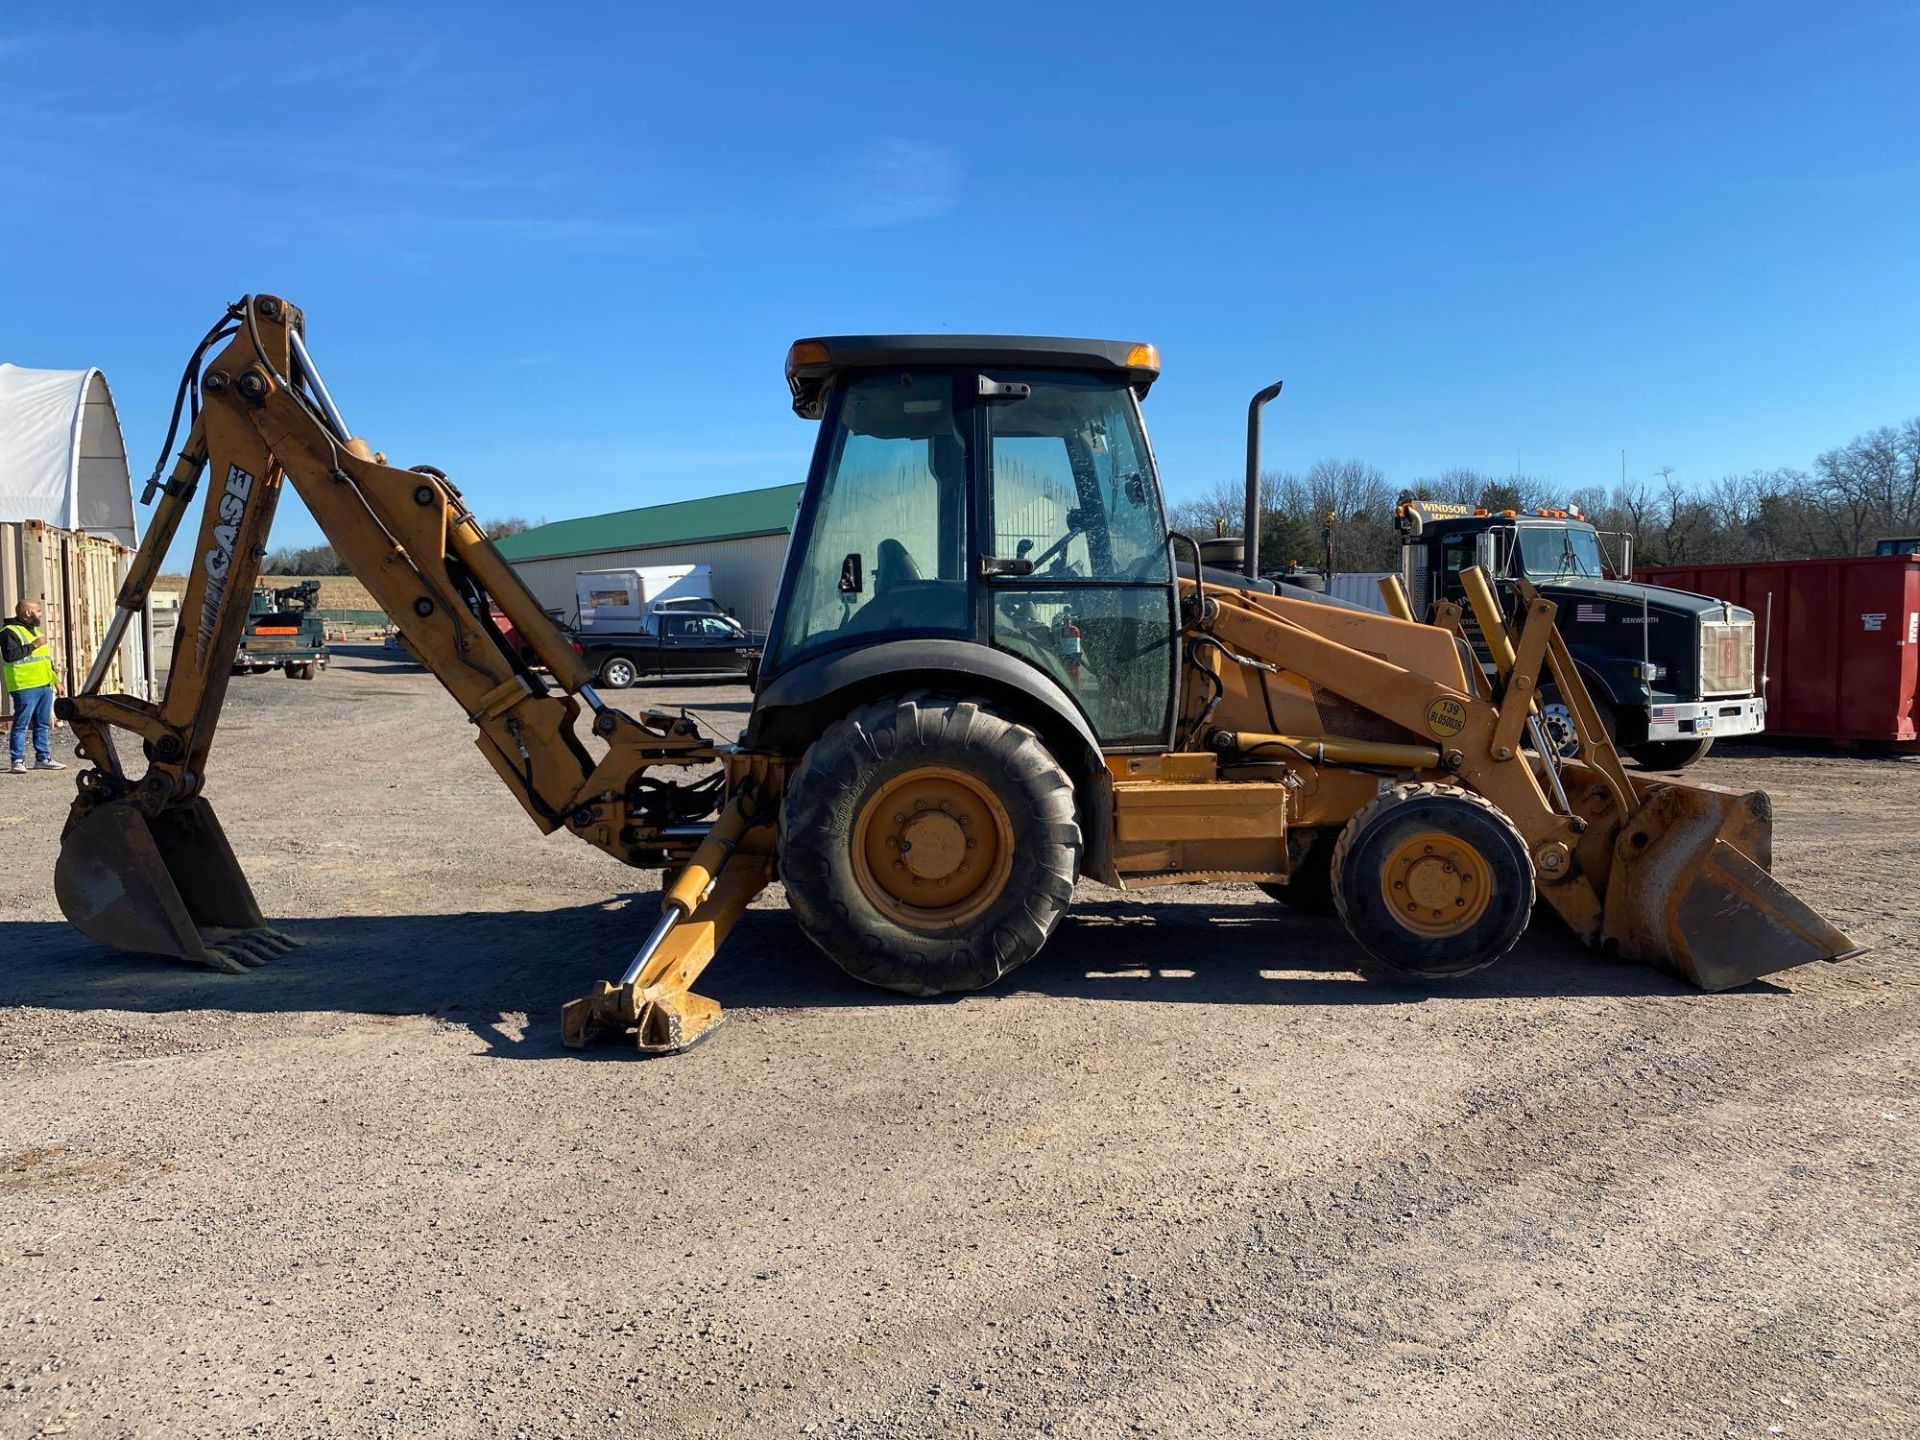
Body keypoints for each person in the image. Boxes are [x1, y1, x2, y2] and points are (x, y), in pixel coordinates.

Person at [3, 598, 65, 774]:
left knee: (43, 724)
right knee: (21, 724)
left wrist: (56, 681)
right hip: (25, 686)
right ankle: (17, 760)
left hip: (44, 685)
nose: (41, 614)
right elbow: (11, 656)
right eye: (38, 611)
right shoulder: (9, 631)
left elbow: (45, 661)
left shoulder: (35, 631)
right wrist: (34, 645)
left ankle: (43, 758)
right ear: (28, 613)